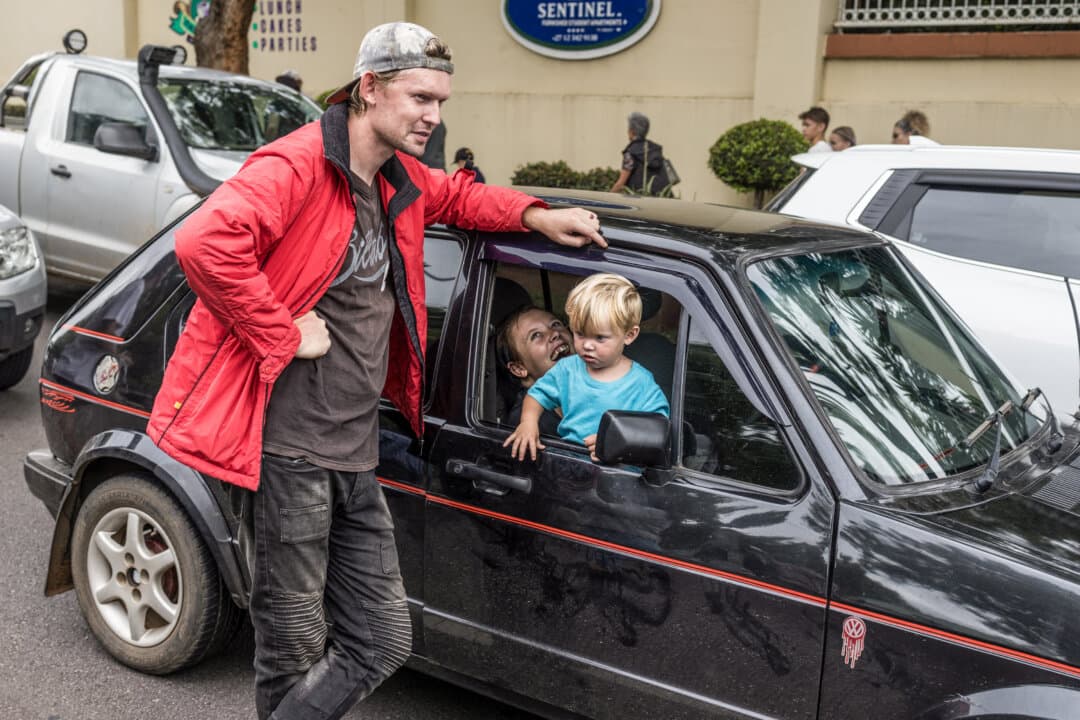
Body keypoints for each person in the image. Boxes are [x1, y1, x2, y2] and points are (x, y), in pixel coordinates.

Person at [146, 20, 605, 720]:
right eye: (421, 97)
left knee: (383, 638)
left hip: (353, 450)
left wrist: (537, 215)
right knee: (292, 643)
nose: (434, 115)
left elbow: (458, 198)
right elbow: (204, 242)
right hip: (288, 449)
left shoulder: (396, 178)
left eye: (442, 101)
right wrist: (278, 330)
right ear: (369, 88)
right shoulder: (296, 166)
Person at [503, 273, 669, 463]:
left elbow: (657, 430)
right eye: (580, 334)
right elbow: (536, 396)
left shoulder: (641, 382)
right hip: (570, 465)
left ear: (629, 335)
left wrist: (618, 442)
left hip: (617, 473)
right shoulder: (567, 369)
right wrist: (528, 423)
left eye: (599, 338)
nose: (587, 345)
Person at [496, 305, 573, 433]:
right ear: (519, 368)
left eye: (555, 324)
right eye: (536, 335)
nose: (555, 333)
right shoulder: (529, 424)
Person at [610, 112, 672, 196]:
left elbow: (620, 183)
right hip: (659, 198)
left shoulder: (630, 152)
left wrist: (609, 196)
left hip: (639, 200)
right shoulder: (655, 149)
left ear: (631, 131)